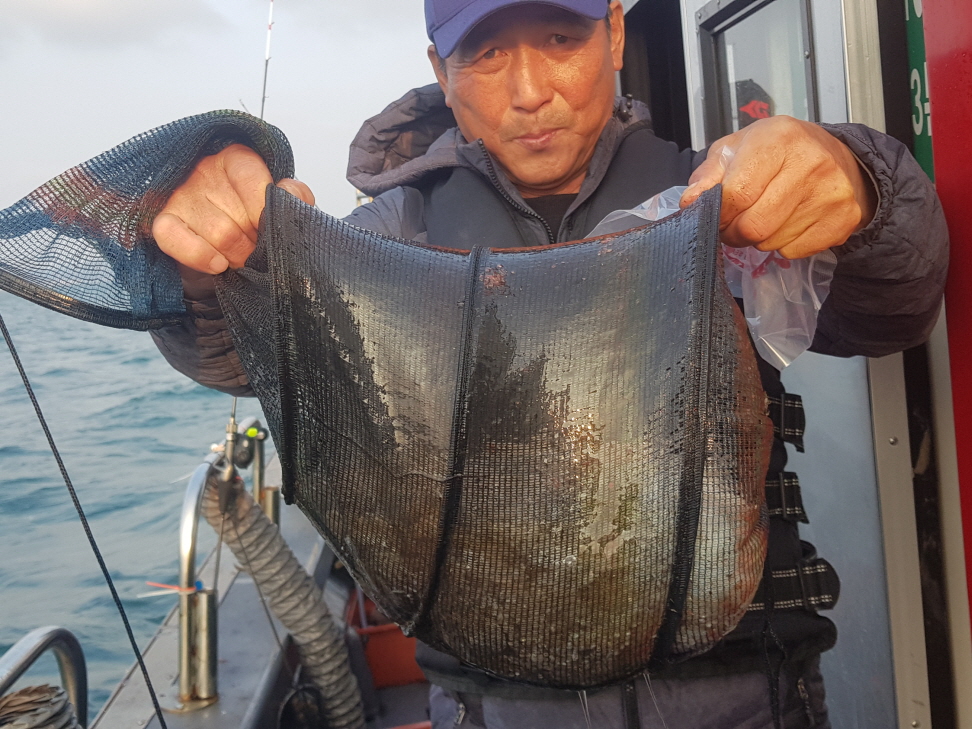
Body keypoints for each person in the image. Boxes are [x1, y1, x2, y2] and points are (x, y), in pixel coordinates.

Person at [149, 0, 948, 726]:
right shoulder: (394, 238)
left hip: (744, 693)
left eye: (562, 38)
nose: (530, 92)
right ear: (441, 71)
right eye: (487, 54)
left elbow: (898, 307)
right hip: (495, 705)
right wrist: (216, 259)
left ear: (617, 34)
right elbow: (237, 353)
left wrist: (859, 184)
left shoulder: (717, 195)